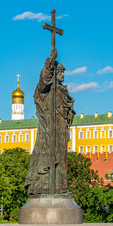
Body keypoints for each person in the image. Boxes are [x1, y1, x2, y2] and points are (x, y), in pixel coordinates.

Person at [24, 50, 75, 194]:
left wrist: (69, 115)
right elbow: (43, 83)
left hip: (61, 127)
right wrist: (49, 65)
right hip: (49, 127)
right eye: (60, 72)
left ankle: (61, 186)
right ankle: (43, 185)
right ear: (54, 73)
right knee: (48, 154)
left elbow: (66, 109)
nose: (63, 75)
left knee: (62, 157)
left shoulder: (62, 91)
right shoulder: (46, 89)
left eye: (64, 72)